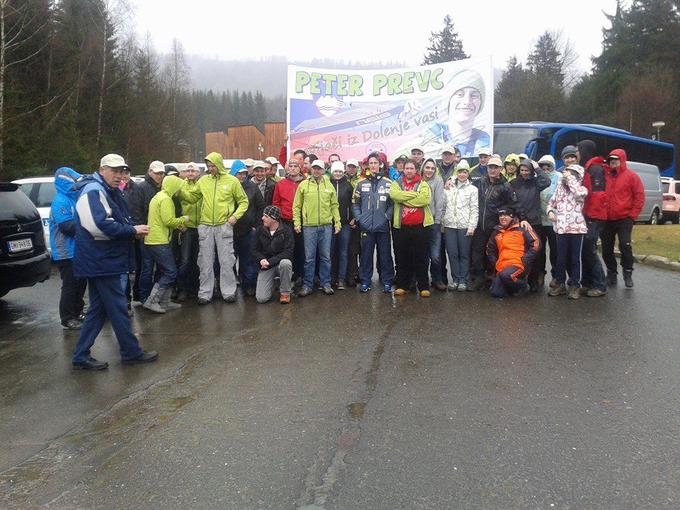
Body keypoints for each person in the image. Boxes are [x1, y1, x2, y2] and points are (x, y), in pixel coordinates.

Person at [71, 154, 157, 370]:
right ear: (102, 170)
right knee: (118, 307)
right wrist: (131, 231)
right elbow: (98, 226)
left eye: (122, 171)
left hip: (102, 260)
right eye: (114, 171)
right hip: (101, 261)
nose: (119, 175)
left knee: (98, 310)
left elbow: (114, 219)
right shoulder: (93, 191)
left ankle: (81, 355)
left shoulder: (105, 190)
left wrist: (131, 230)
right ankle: (131, 352)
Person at [179, 152, 249, 304]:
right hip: (205, 226)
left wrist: (234, 217)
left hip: (224, 225)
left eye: (212, 166)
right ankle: (205, 293)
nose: (210, 169)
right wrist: (180, 193)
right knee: (204, 261)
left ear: (219, 165)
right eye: (208, 166)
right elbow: (193, 197)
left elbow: (243, 201)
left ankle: (229, 292)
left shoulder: (232, 181)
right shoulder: (204, 180)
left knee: (226, 261)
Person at [293, 159, 341, 296]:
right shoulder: (303, 185)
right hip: (309, 227)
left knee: (326, 257)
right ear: (311, 169)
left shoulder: (329, 185)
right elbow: (297, 206)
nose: (316, 170)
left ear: (323, 169)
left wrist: (337, 222)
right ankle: (307, 285)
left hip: (326, 226)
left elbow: (334, 205)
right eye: (314, 168)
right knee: (309, 258)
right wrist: (297, 222)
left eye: (319, 168)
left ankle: (325, 283)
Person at [142, 176, 189, 313]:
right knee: (171, 271)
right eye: (178, 188)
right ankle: (153, 300)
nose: (179, 192)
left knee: (165, 270)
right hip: (158, 240)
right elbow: (168, 221)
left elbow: (161, 219)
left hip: (153, 239)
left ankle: (165, 301)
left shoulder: (158, 196)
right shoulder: (166, 199)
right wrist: (183, 219)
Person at [469, 156, 516, 290]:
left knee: (493, 253)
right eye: (490, 167)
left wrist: (502, 215)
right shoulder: (480, 182)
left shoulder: (506, 185)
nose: (493, 170)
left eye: (496, 167)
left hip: (495, 226)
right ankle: (478, 278)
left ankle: (492, 278)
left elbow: (511, 205)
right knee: (477, 252)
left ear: (501, 169)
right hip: (479, 225)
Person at [600, 149, 644, 288]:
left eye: (616, 160)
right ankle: (611, 273)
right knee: (606, 248)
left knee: (625, 245)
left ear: (622, 160)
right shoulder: (604, 176)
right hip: (606, 218)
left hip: (624, 217)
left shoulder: (632, 176)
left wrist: (632, 215)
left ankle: (627, 271)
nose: (613, 162)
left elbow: (639, 196)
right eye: (611, 160)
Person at [49, 167, 87, 330]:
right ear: (65, 182)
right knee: (70, 285)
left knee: (81, 283)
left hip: (78, 249)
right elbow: (67, 227)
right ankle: (67, 317)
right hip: (65, 251)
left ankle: (77, 312)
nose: (76, 186)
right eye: (74, 182)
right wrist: (89, 228)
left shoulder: (74, 198)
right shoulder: (60, 201)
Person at [352, 152, 394, 293]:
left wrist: (387, 217)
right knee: (366, 256)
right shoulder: (360, 183)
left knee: (385, 255)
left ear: (380, 164)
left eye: (376, 163)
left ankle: (387, 281)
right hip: (366, 227)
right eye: (371, 163)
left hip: (382, 227)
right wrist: (359, 218)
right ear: (367, 165)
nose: (373, 165)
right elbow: (355, 204)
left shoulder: (388, 183)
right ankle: (365, 281)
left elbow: (393, 204)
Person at [390, 158, 433, 297]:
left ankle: (423, 286)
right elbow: (394, 195)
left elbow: (425, 200)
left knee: (421, 257)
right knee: (403, 257)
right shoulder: (396, 183)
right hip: (401, 227)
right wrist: (415, 197)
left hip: (420, 227)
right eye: (407, 168)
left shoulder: (423, 184)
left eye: (411, 168)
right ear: (403, 169)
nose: (409, 170)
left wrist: (404, 198)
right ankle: (403, 285)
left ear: (416, 170)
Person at [547, 164, 589, 299]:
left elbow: (578, 194)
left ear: (578, 176)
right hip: (561, 228)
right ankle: (560, 284)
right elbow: (551, 203)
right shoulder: (559, 189)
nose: (567, 176)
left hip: (577, 229)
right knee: (560, 258)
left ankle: (575, 285)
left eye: (572, 174)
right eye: (567, 173)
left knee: (575, 258)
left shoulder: (582, 189)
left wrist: (569, 178)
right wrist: (550, 212)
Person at [128, 160, 165, 302]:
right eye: (156, 173)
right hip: (146, 232)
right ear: (150, 172)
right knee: (146, 266)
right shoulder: (141, 187)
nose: (159, 176)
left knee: (159, 266)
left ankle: (154, 296)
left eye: (161, 173)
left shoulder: (162, 187)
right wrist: (140, 229)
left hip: (160, 233)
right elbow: (135, 210)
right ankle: (144, 296)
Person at [511, 158, 551, 291]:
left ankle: (533, 281)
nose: (524, 173)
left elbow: (547, 181)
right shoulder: (514, 183)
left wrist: (538, 168)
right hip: (519, 222)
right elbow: (513, 202)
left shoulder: (536, 182)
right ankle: (520, 280)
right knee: (520, 252)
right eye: (522, 170)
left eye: (527, 170)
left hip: (534, 222)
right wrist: (520, 217)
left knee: (535, 252)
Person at [577, 140, 609, 297]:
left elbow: (598, 196)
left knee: (589, 249)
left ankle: (600, 285)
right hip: (587, 215)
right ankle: (587, 282)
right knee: (584, 250)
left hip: (594, 217)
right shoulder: (588, 168)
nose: (577, 153)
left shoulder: (595, 169)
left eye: (579, 150)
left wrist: (590, 216)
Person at [486, 208, 540, 298]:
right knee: (495, 293)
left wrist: (525, 259)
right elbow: (489, 249)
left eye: (506, 215)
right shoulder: (496, 232)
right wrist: (495, 263)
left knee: (507, 275)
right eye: (501, 215)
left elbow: (536, 243)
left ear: (512, 216)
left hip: (518, 264)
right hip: (502, 266)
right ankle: (512, 288)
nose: (503, 218)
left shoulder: (522, 228)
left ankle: (523, 286)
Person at [442, 161, 478, 291]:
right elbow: (444, 206)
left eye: (465, 172)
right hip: (450, 225)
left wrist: (471, 226)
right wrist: (442, 222)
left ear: (468, 173)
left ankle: (463, 279)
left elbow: (474, 209)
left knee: (464, 254)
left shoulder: (473, 189)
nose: (462, 174)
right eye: (460, 171)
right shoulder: (449, 187)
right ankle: (455, 279)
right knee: (452, 253)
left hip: (464, 226)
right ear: (456, 173)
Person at [233, 160, 265, 297]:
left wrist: (256, 225)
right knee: (230, 259)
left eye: (244, 173)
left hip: (248, 230)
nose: (242, 176)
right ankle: (232, 285)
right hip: (231, 229)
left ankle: (249, 285)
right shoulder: (229, 186)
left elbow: (261, 206)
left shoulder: (252, 187)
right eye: (239, 174)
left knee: (249, 259)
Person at [272, 157, 306, 282]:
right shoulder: (281, 184)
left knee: (300, 249)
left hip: (301, 221)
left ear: (300, 168)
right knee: (287, 249)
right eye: (290, 166)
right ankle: (287, 275)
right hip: (285, 221)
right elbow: (276, 202)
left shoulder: (305, 182)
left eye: (295, 166)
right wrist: (280, 217)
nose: (292, 168)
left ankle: (300, 274)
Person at [444, 70, 490, 157]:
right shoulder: (434, 133)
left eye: (474, 96)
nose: (467, 101)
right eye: (460, 94)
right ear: (448, 100)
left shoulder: (484, 139)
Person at [253, 205, 294, 304]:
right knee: (261, 299)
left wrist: (270, 262)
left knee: (286, 263)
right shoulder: (260, 230)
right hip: (266, 266)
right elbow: (254, 250)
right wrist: (261, 259)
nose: (262, 218)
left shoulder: (286, 230)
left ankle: (285, 293)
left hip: (279, 264)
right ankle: (272, 285)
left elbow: (288, 252)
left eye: (266, 216)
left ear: (274, 219)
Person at [176, 162, 201, 302]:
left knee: (198, 260)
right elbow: (175, 206)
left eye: (193, 171)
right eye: (188, 170)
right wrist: (179, 222)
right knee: (185, 259)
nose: (190, 173)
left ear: (198, 173)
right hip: (186, 227)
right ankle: (182, 289)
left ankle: (195, 287)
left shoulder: (202, 185)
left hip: (201, 227)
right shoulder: (180, 186)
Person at [421, 158, 446, 291]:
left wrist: (438, 221)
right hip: (419, 223)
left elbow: (439, 202)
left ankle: (437, 279)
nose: (429, 170)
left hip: (433, 223)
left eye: (432, 168)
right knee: (421, 255)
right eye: (427, 167)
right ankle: (422, 281)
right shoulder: (418, 180)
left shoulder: (438, 180)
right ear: (423, 168)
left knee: (435, 255)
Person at [536, 155, 561, 289]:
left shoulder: (559, 177)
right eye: (542, 167)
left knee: (555, 250)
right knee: (539, 250)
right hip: (539, 220)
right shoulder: (536, 178)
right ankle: (540, 273)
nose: (545, 169)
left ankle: (556, 275)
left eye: (548, 166)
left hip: (554, 220)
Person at [329, 161, 353, 289]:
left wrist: (353, 218)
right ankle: (331, 277)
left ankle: (341, 279)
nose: (337, 174)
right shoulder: (327, 184)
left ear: (343, 172)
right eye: (335, 171)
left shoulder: (348, 186)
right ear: (332, 172)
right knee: (330, 252)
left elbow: (353, 203)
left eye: (340, 171)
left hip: (345, 224)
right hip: (330, 223)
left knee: (343, 252)